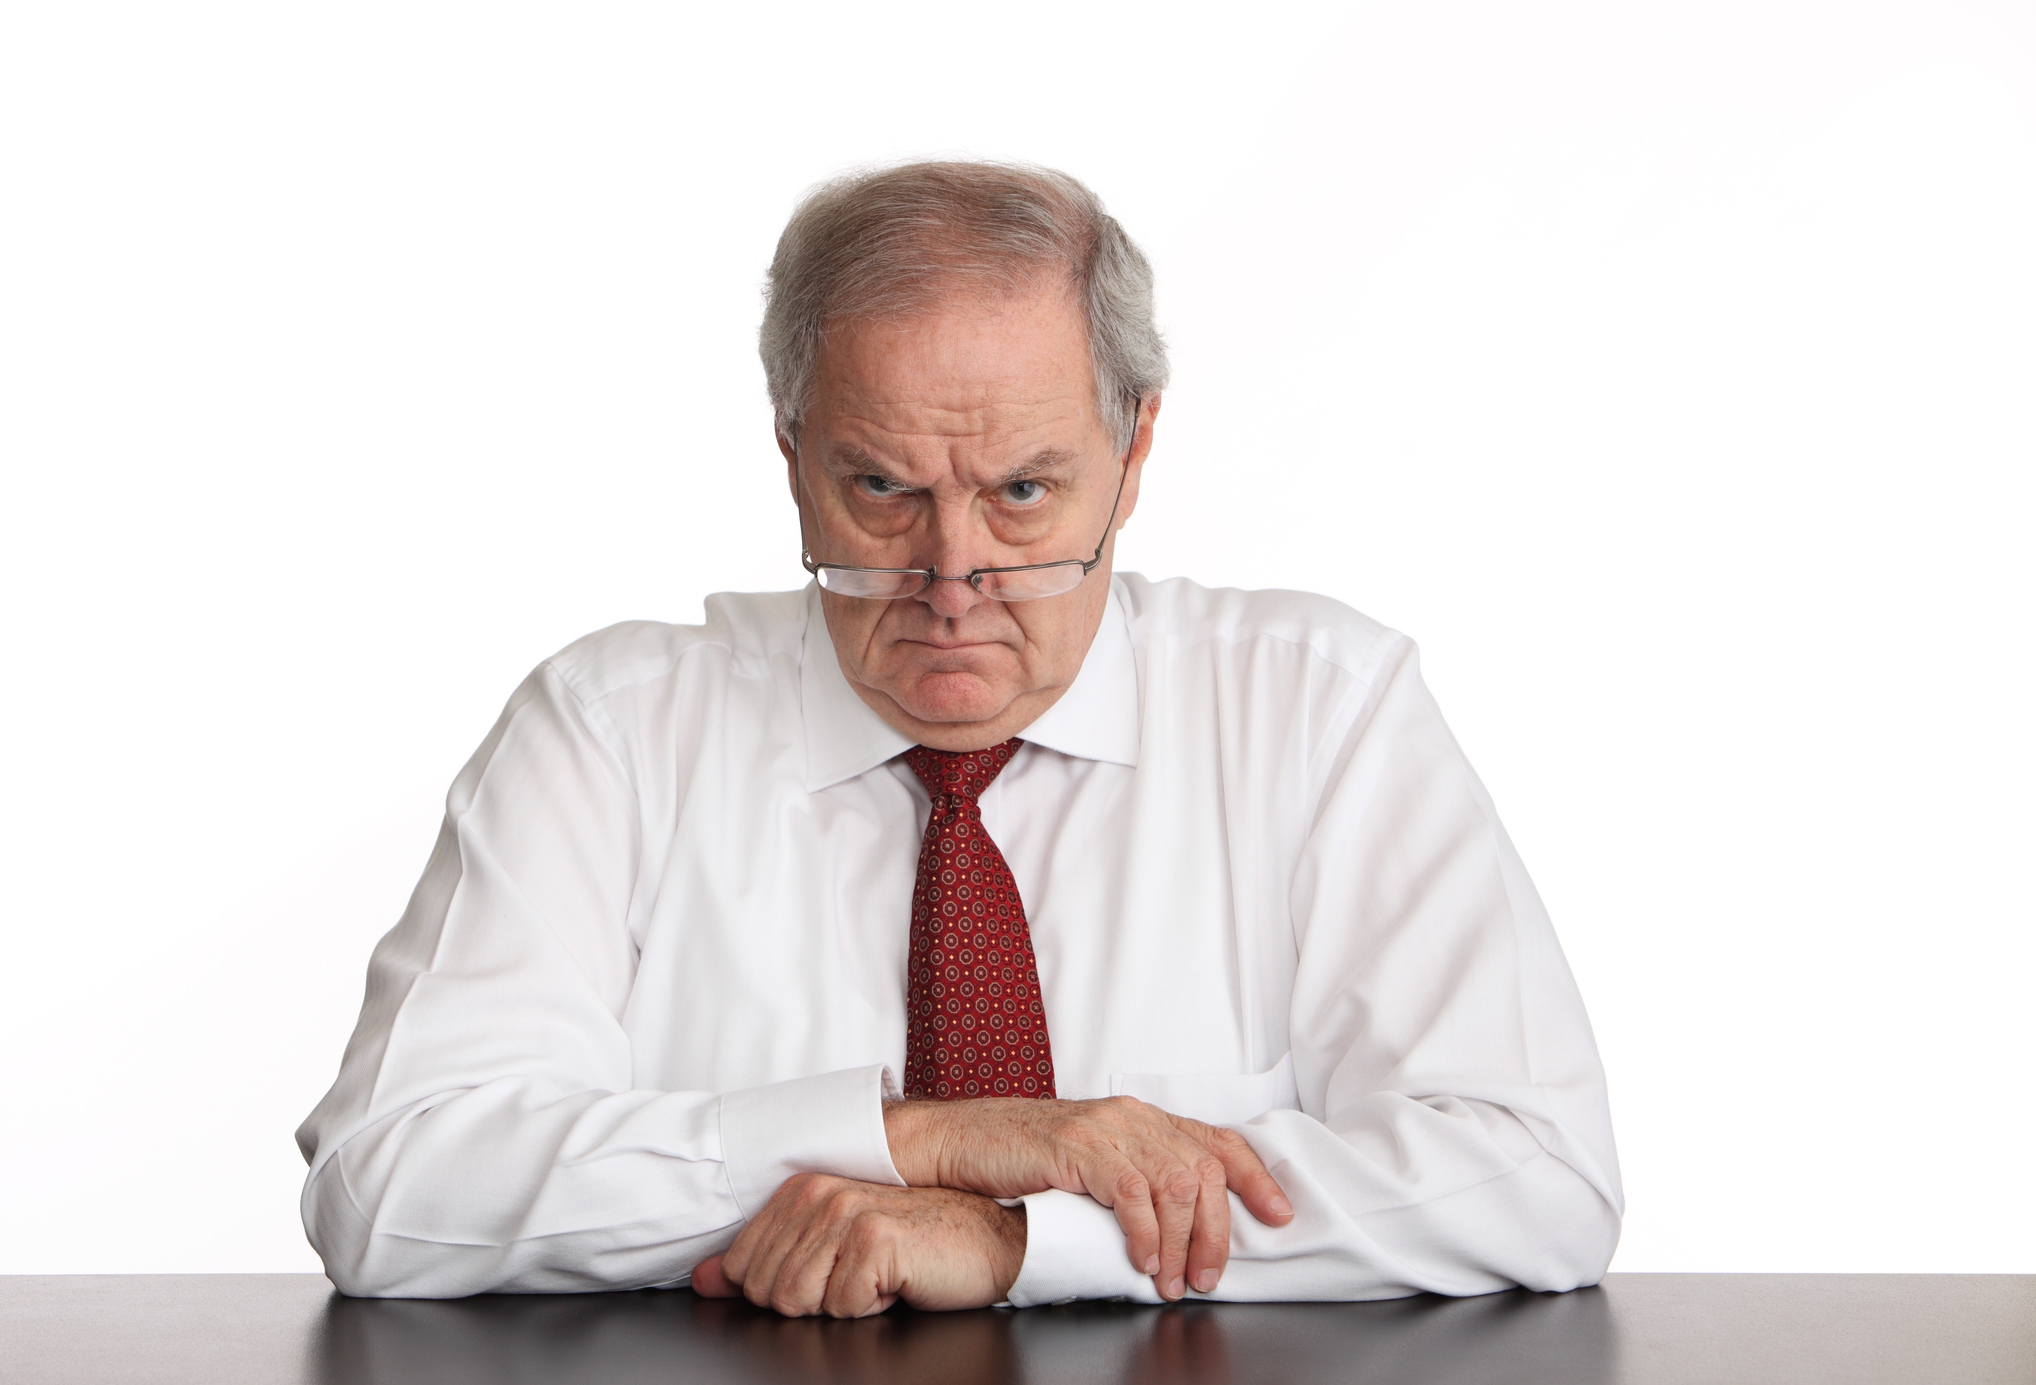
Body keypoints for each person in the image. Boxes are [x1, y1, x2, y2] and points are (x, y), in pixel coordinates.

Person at [295, 160, 1623, 1316]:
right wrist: (920, 1143)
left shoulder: (1318, 708)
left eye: (1023, 494)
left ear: (1135, 448)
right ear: (790, 449)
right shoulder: (610, 730)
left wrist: (1012, 1236)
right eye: (880, 489)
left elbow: (1533, 1177)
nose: (952, 576)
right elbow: (392, 1186)